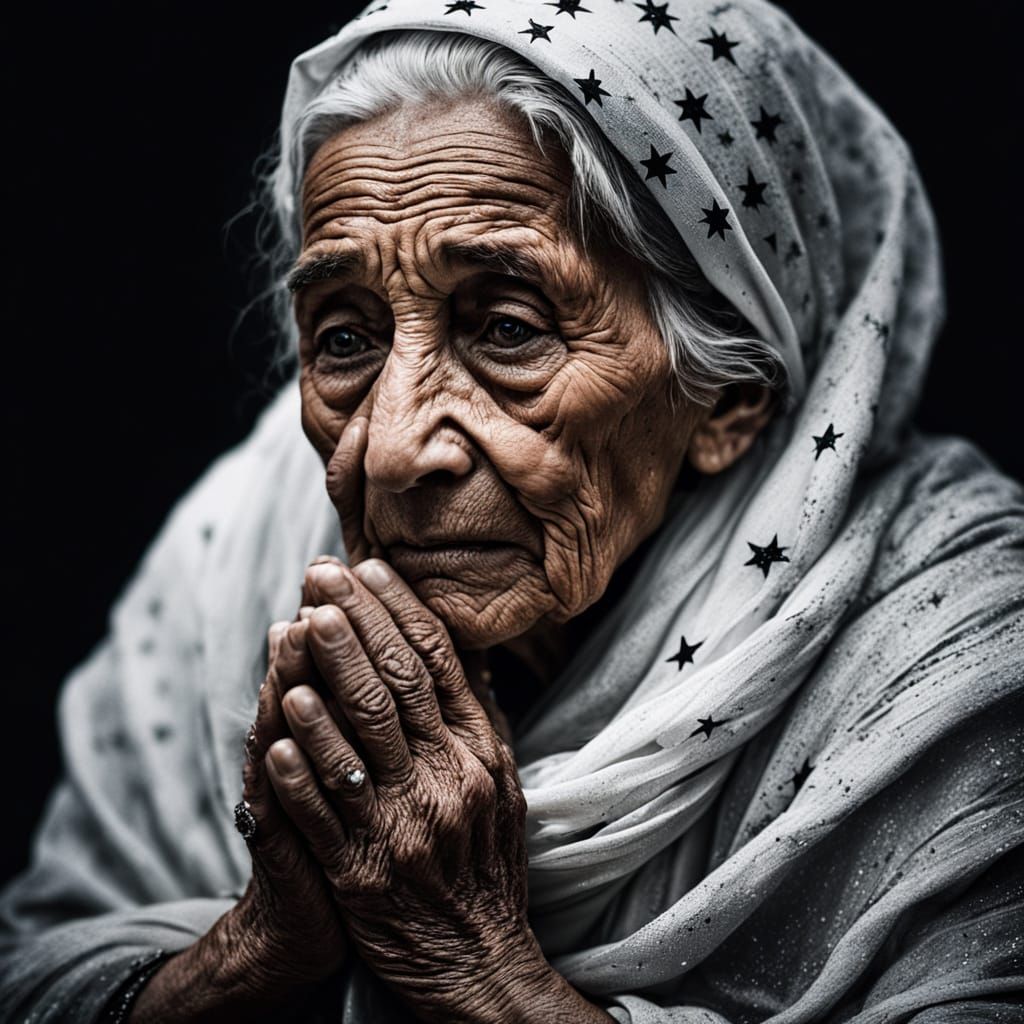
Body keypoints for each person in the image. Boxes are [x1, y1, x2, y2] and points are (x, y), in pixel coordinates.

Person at [2, 0, 1022, 1021]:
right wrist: (253, 953)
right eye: (346, 339)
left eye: (506, 328)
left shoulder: (964, 649)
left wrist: (481, 970)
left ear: (728, 397)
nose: (393, 448)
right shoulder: (240, 541)